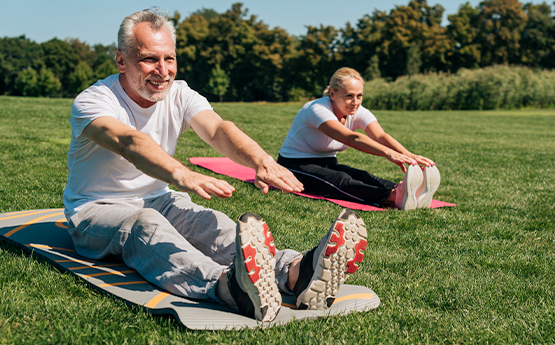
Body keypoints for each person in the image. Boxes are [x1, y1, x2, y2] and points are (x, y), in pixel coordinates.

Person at [62, 9, 368, 323]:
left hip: (160, 199)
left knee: (211, 224)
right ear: (121, 61)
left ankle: (295, 273)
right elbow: (129, 141)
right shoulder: (94, 101)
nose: (163, 71)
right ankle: (227, 286)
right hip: (95, 209)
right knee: (144, 226)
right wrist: (181, 173)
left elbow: (218, 129)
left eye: (170, 58)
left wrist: (261, 161)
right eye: (149, 59)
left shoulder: (179, 93)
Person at [277, 67, 441, 211]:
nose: (355, 102)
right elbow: (352, 138)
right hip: (294, 166)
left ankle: (406, 191)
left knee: (363, 176)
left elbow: (380, 136)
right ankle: (393, 197)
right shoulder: (317, 110)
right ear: (332, 93)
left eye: (359, 96)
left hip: (327, 162)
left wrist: (409, 155)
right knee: (339, 180)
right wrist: (388, 153)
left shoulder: (357, 111)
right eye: (349, 96)